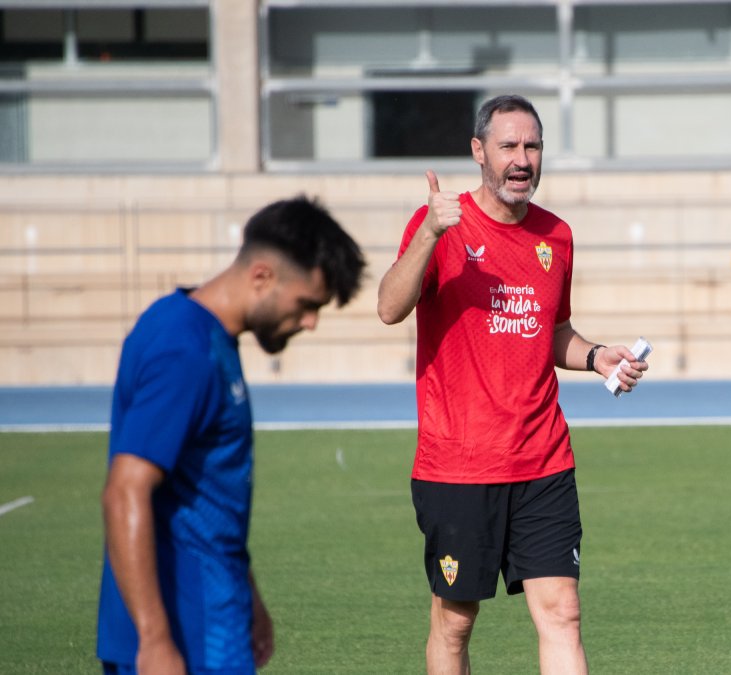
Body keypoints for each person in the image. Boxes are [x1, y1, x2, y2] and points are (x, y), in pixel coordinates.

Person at [377, 94, 647, 674]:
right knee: (454, 623)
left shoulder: (558, 236)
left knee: (562, 612)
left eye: (532, 146)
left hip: (543, 460)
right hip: (459, 464)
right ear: (479, 152)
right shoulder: (440, 228)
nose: (522, 159)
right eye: (508, 146)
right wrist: (428, 234)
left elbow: (551, 332)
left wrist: (596, 356)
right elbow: (389, 307)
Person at [97, 196, 366, 674]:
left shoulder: (201, 333)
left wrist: (249, 593)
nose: (310, 322)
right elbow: (124, 491)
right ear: (261, 275)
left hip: (215, 618)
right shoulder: (184, 348)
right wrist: (156, 642)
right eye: (306, 305)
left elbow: (205, 494)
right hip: (188, 635)